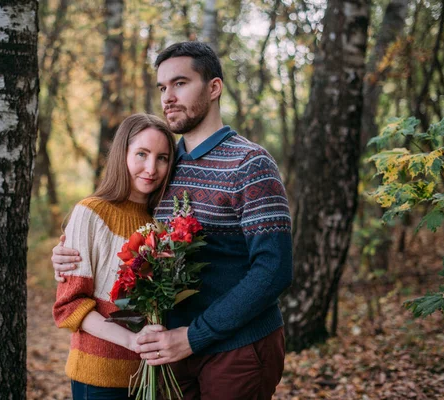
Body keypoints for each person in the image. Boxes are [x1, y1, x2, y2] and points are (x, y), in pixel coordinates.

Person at [52, 42, 293, 400]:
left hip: (235, 348)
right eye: (163, 87)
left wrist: (195, 335)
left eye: (180, 83)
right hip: (170, 355)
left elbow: (274, 270)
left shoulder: (251, 163)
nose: (168, 97)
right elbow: (124, 229)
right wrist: (67, 254)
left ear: (214, 88)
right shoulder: (164, 168)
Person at [53, 113, 176, 400]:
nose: (151, 168)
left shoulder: (161, 226)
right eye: (142, 154)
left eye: (162, 158)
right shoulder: (90, 212)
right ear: (123, 154)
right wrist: (133, 341)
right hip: (99, 378)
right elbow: (70, 305)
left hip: (151, 378)